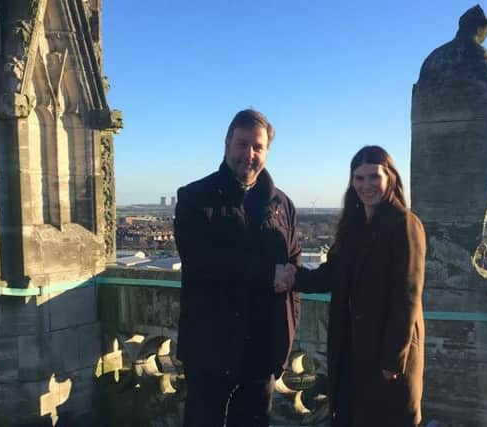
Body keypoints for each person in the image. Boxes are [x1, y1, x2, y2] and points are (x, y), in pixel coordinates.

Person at [173, 109, 300, 427]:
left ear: (267, 150)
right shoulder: (194, 197)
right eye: (242, 144)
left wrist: (287, 331)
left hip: (262, 347)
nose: (249, 154)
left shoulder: (283, 205)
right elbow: (201, 261)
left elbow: (293, 262)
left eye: (257, 147)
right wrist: (268, 274)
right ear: (227, 144)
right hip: (210, 346)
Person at [289, 145, 426, 427]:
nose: (366, 185)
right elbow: (331, 274)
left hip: (386, 356)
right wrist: (292, 277)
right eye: (359, 178)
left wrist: (392, 360)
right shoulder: (353, 225)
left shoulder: (404, 223)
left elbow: (407, 295)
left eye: (374, 177)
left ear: (390, 178)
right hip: (351, 347)